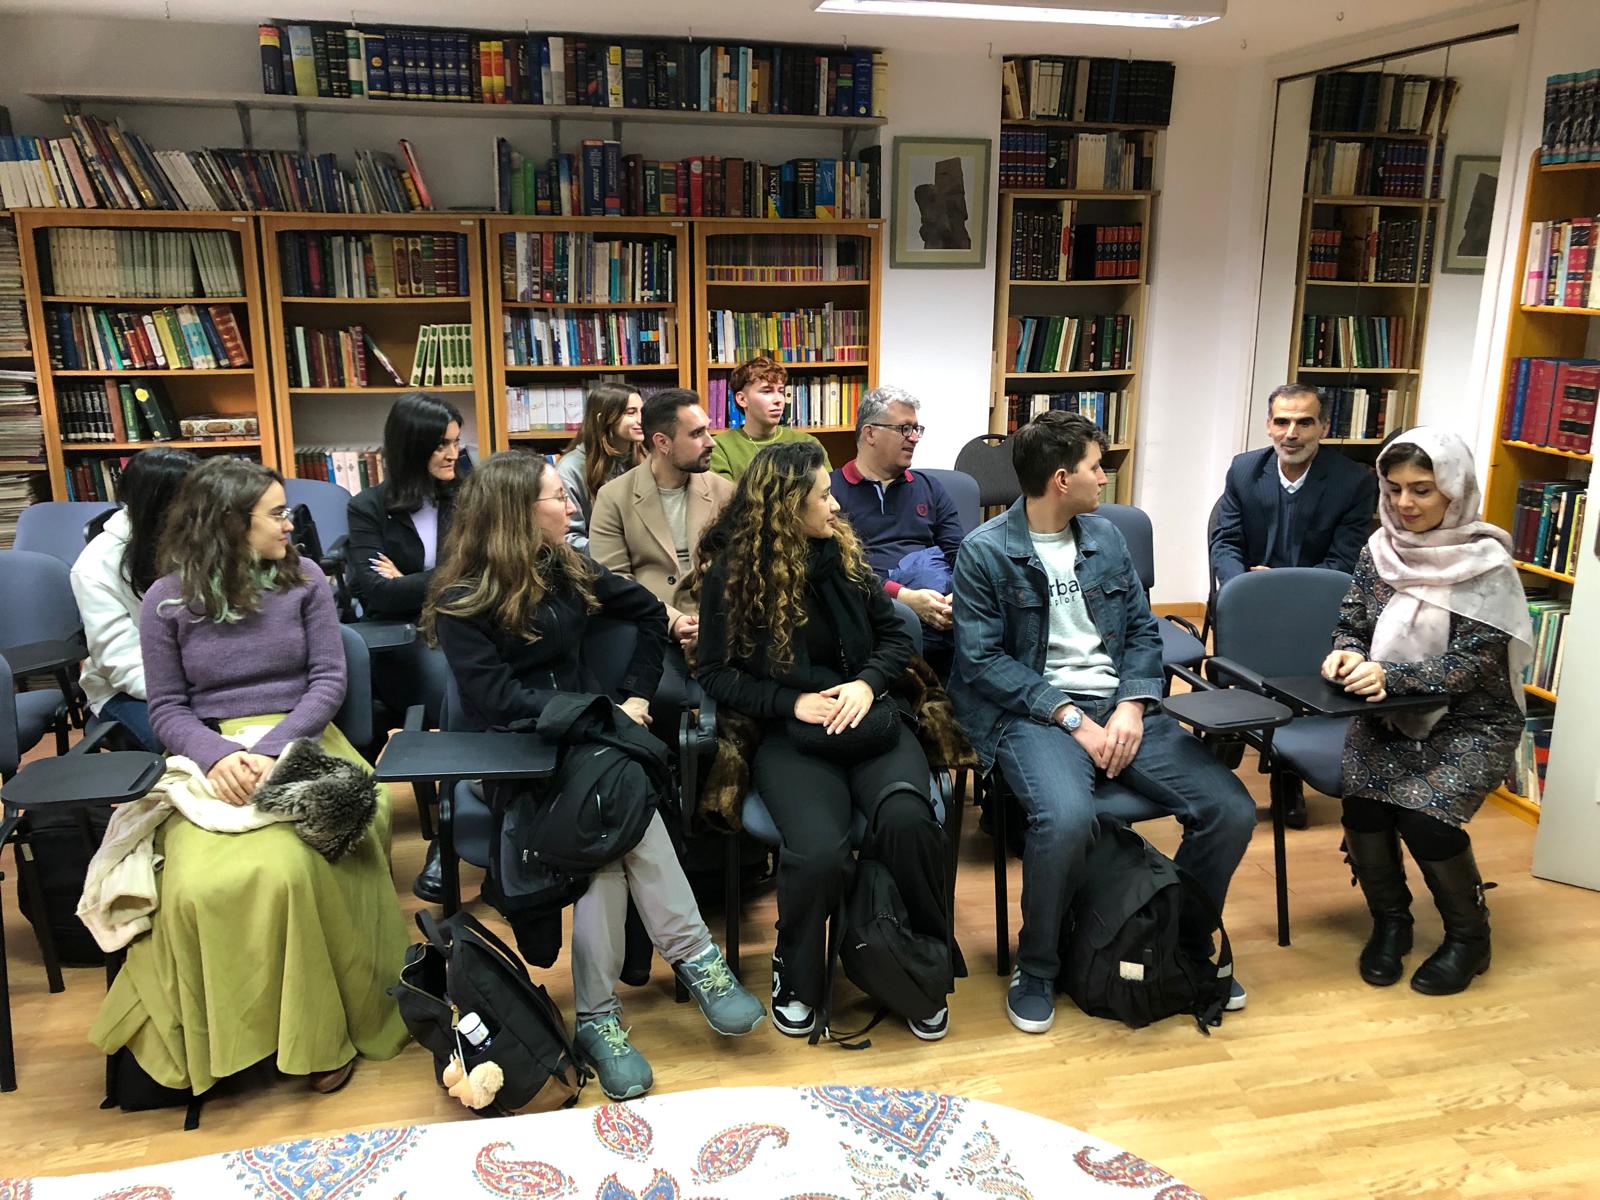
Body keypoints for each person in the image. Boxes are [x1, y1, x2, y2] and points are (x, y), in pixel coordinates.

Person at [424, 451, 764, 1101]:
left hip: (592, 744)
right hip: (522, 757)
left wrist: (634, 695)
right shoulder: (464, 599)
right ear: (518, 514)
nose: (572, 506)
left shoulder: (568, 566)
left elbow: (645, 613)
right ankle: (696, 964)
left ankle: (601, 1020)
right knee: (614, 823)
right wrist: (599, 711)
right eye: (558, 498)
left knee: (607, 834)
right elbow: (498, 701)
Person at [89, 458, 409, 1096]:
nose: (290, 524)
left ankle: (320, 1036)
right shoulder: (165, 600)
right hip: (209, 752)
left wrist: (269, 750)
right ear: (231, 524)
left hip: (304, 740)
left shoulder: (306, 580)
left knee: (291, 870)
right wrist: (216, 756)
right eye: (276, 513)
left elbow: (328, 683)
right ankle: (237, 1036)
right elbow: (166, 709)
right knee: (195, 888)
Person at [951, 411, 1255, 1035]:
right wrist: (1069, 718)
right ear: (1062, 479)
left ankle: (1183, 943)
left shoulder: (1106, 539)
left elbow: (1145, 632)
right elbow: (982, 663)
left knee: (1229, 809)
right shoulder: (986, 552)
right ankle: (1038, 965)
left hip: (1117, 706)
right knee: (1064, 818)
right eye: (1096, 466)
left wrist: (1132, 705)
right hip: (1034, 712)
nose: (1104, 477)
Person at [696, 441, 953, 1041]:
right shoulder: (733, 576)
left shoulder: (845, 556)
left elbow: (897, 637)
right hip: (794, 736)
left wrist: (866, 684)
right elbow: (715, 673)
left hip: (873, 722)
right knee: (818, 852)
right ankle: (798, 972)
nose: (836, 505)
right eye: (823, 496)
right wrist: (792, 702)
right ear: (786, 506)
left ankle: (921, 968)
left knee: (911, 824)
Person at [1321, 427, 1531, 997]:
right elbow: (1353, 620)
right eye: (1393, 490)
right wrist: (1346, 653)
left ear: (1455, 492)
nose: (1404, 504)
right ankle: (1391, 922)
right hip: (1387, 712)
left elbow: (1471, 666)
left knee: (1424, 819)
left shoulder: (1488, 567)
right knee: (1364, 810)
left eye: (1422, 490)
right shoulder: (1379, 548)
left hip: (1471, 720)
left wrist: (1390, 677)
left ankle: (1469, 936)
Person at [1210, 382, 1377, 826]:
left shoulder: (1352, 482)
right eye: (1282, 421)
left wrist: (1278, 587)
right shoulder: (1245, 471)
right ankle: (1238, 729)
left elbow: (1343, 560)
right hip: (1251, 592)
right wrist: (1244, 585)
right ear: (1268, 426)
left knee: (1302, 674)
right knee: (1244, 655)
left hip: (1314, 601)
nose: (1292, 432)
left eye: (1305, 422)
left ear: (1323, 426)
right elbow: (1225, 540)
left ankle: (1286, 774)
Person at [346, 392, 466, 901]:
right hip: (403, 640)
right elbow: (375, 593)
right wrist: (449, 576)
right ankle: (449, 837)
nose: (453, 454)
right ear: (411, 446)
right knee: (452, 690)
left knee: (485, 682)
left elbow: (489, 568)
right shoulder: (368, 507)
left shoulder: (470, 492)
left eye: (457, 443)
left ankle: (464, 829)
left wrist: (414, 579)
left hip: (466, 626)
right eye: (441, 444)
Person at [589, 388, 732, 730]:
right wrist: (671, 620)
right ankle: (667, 777)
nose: (711, 442)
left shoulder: (725, 492)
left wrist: (711, 623)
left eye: (707, 430)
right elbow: (613, 579)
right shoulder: (614, 497)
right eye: (697, 434)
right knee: (663, 698)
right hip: (652, 627)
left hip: (719, 627)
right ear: (662, 442)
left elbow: (742, 568)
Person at [70, 446, 200, 752]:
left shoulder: (197, 540)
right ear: (161, 506)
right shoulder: (94, 566)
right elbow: (121, 662)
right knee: (187, 743)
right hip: (130, 691)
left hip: (202, 678)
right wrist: (188, 695)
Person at [830, 385, 964, 675]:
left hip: (941, 603)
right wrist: (904, 597)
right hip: (872, 606)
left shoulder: (930, 488)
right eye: (905, 429)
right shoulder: (830, 492)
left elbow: (961, 554)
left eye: (917, 429)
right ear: (870, 433)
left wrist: (958, 598)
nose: (914, 438)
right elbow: (836, 569)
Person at [708, 356, 832, 481]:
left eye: (781, 391)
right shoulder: (720, 448)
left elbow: (824, 495)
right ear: (742, 399)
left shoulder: (807, 443)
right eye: (767, 391)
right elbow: (725, 499)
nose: (778, 400)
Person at [556, 382, 645, 551]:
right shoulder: (570, 469)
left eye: (642, 411)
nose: (641, 420)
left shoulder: (647, 457)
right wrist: (614, 553)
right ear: (603, 418)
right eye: (631, 412)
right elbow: (568, 538)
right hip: (597, 567)